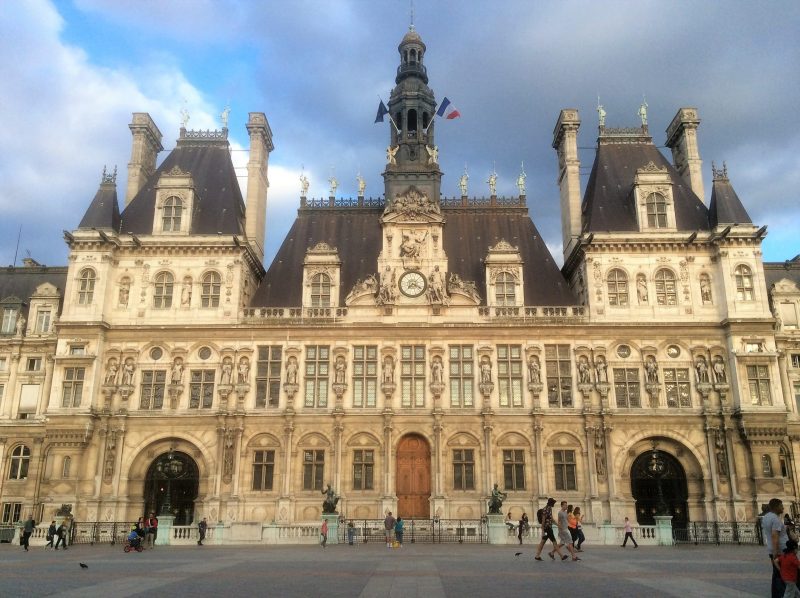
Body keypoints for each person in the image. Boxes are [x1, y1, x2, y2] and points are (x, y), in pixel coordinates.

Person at [763, 498, 789, 598]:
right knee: (784, 574)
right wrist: (775, 554)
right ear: (776, 507)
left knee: (776, 574)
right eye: (781, 506)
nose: (782, 508)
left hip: (772, 549)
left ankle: (776, 594)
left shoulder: (766, 517)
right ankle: (782, 594)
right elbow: (775, 536)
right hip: (780, 551)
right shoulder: (775, 519)